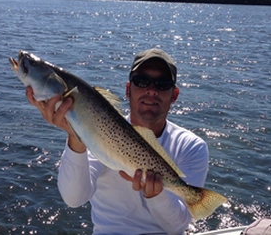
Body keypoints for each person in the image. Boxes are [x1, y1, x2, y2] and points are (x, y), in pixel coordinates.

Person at [26, 48, 209, 235]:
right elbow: (74, 199)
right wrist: (76, 138)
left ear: (174, 96)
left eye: (162, 84)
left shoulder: (192, 146)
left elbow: (178, 226)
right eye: (142, 81)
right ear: (128, 90)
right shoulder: (97, 129)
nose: (151, 91)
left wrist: (157, 195)